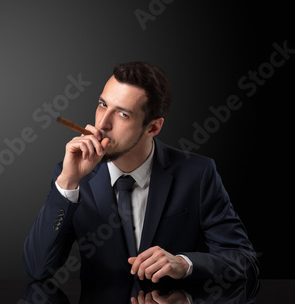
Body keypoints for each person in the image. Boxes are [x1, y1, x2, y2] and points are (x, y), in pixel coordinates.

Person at [23, 62, 259, 282]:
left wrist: (184, 264)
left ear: (154, 127)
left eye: (122, 114)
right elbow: (37, 268)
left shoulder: (197, 174)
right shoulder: (74, 176)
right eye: (103, 104)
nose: (103, 123)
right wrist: (67, 183)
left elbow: (244, 261)